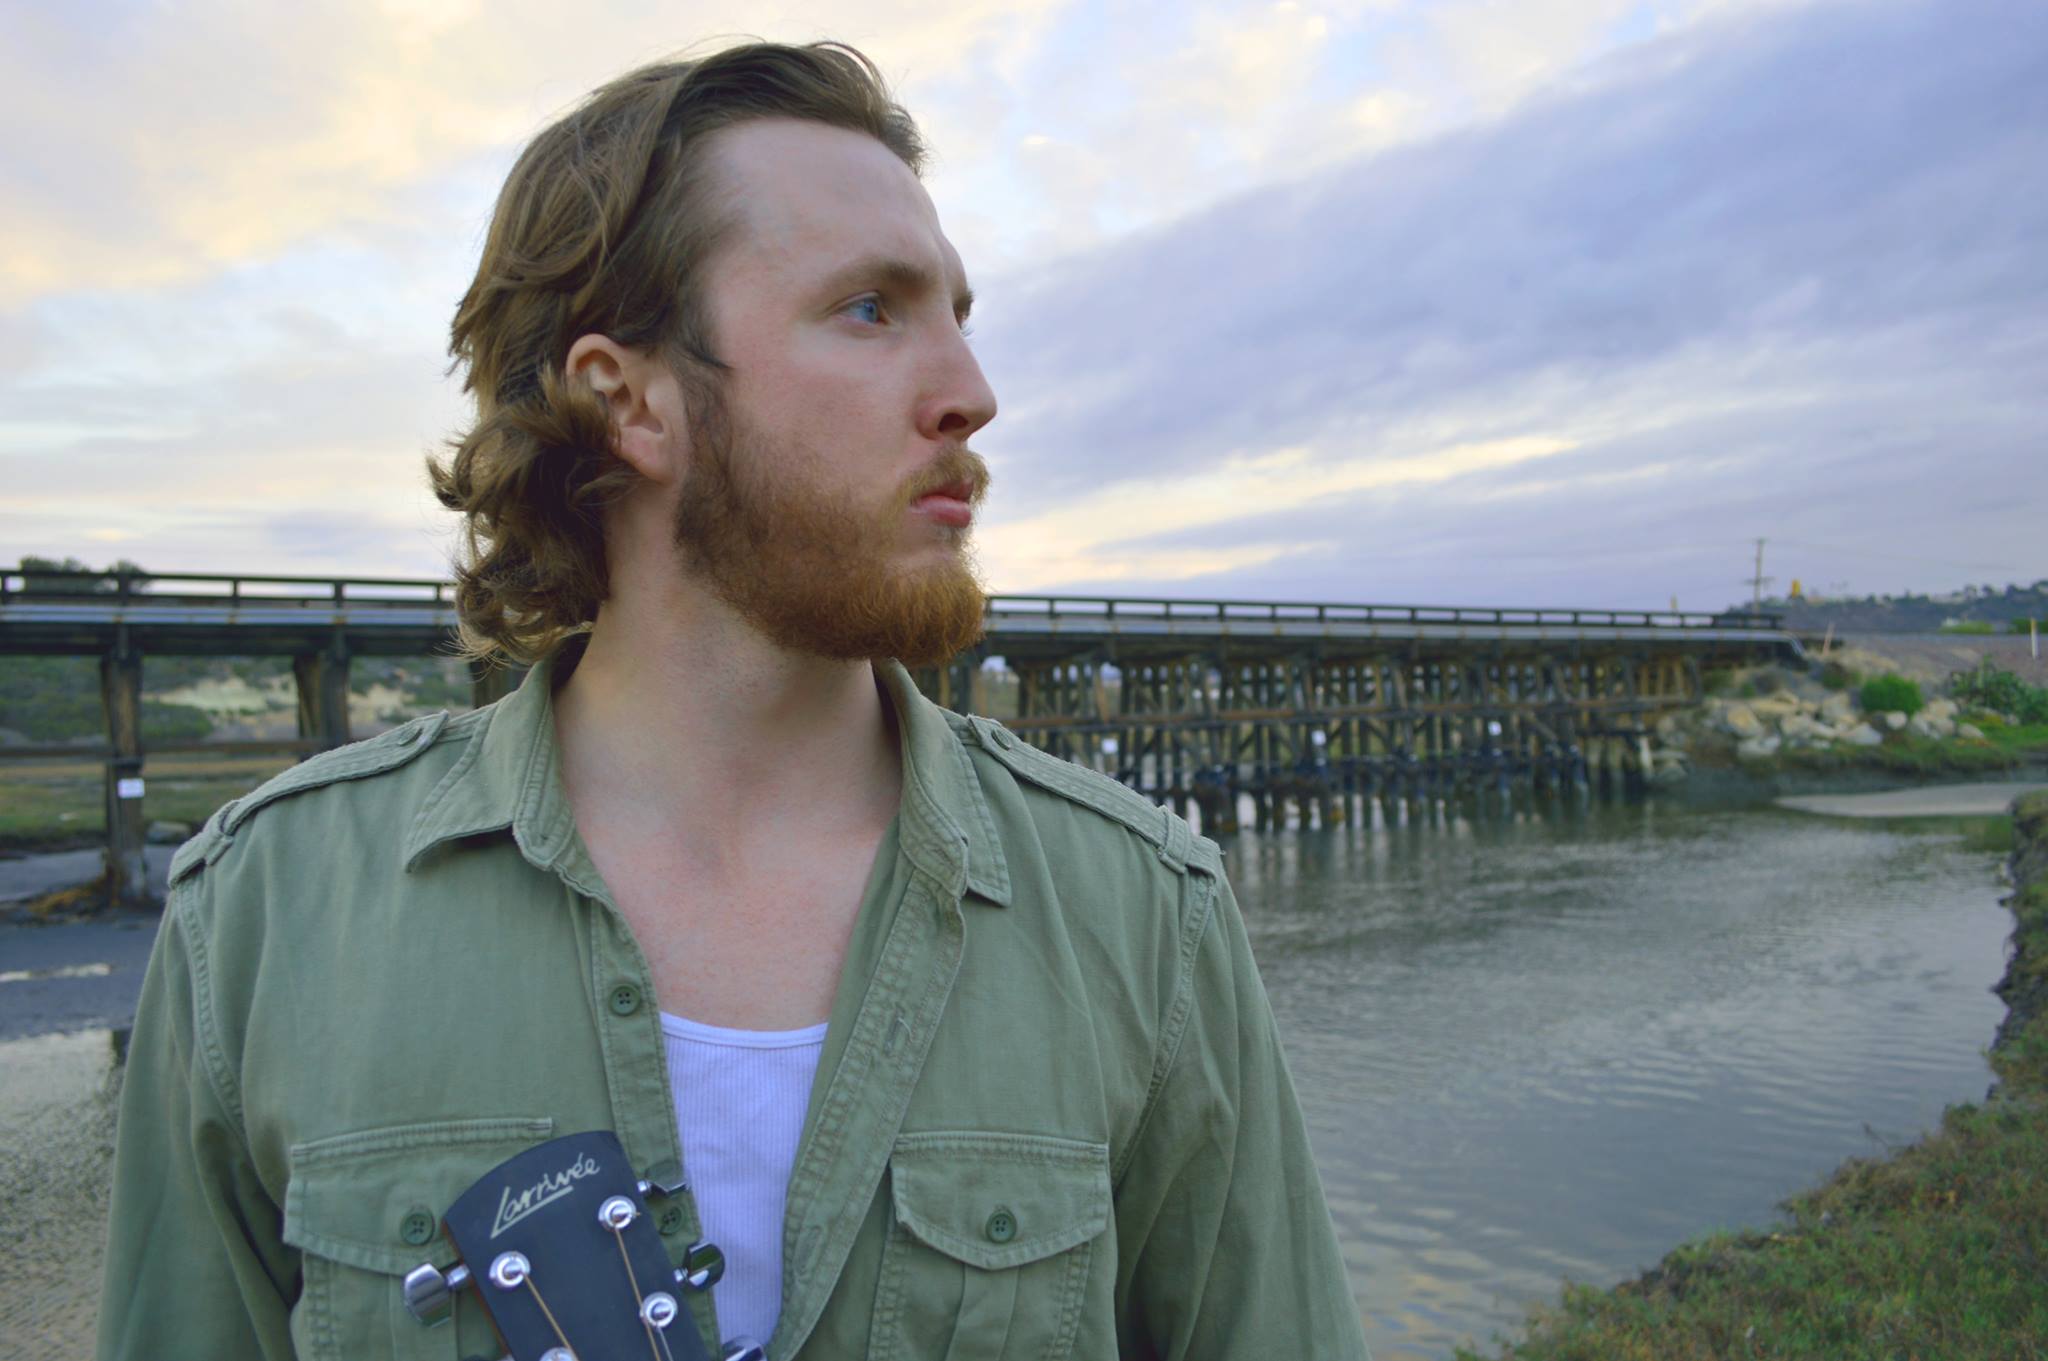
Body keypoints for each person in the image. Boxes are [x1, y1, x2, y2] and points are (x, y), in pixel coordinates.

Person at [96, 41, 1370, 1361]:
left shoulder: (1144, 918)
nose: (973, 394)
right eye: (872, 309)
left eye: (958, 313)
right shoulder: (268, 915)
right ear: (630, 400)